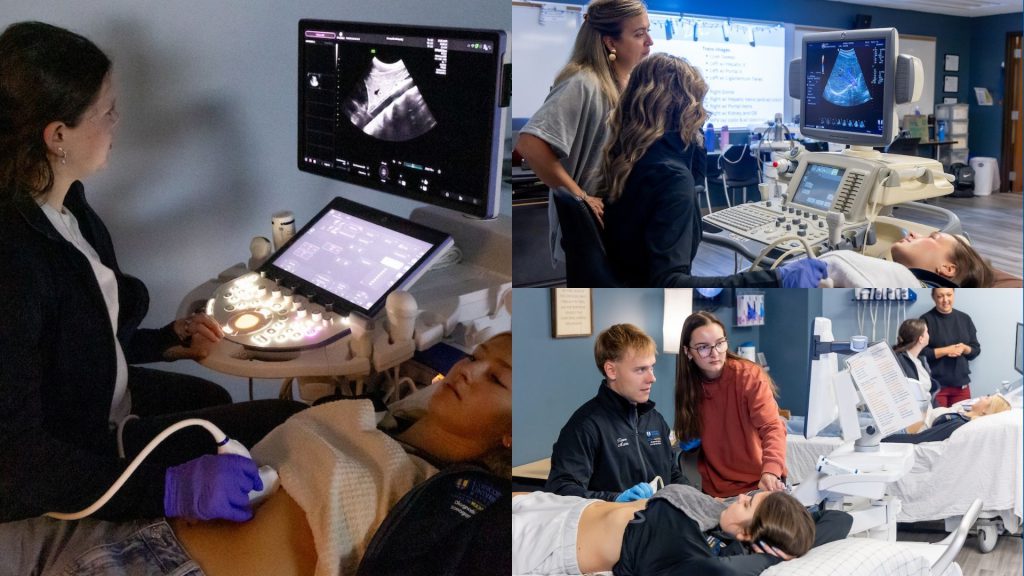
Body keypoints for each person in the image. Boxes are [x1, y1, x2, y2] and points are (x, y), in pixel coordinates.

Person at [0, 21, 305, 523]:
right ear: (58, 136)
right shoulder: (14, 265)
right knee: (290, 420)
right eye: (107, 111)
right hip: (74, 458)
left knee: (208, 395)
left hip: (99, 403)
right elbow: (16, 458)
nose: (118, 121)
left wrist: (163, 340)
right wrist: (171, 490)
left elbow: (72, 338)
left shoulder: (65, 201)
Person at [0, 333, 514, 576]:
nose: (468, 371)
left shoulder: (448, 507)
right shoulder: (358, 415)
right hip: (126, 525)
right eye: (474, 357)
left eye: (497, 378)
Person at [599, 54, 827, 288]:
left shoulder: (627, 158)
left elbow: (695, 178)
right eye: (699, 105)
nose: (703, 114)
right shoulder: (671, 179)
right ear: (685, 111)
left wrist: (693, 141)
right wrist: (776, 278)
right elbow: (669, 282)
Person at [516, 0, 652, 265]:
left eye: (647, 30)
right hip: (599, 232)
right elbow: (529, 143)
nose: (650, 41)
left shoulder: (629, 87)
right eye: (639, 34)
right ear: (611, 42)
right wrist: (581, 199)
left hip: (627, 227)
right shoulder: (583, 83)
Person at [514, 484, 854, 576]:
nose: (740, 496)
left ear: (750, 535)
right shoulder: (717, 515)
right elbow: (839, 521)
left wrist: (772, 558)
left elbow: (726, 573)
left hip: (544, 543)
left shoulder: (694, 555)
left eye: (748, 503)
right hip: (560, 507)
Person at [546, 323, 684, 501]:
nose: (652, 378)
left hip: (658, 523)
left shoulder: (655, 420)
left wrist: (698, 499)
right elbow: (560, 490)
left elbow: (673, 475)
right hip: (613, 525)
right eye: (641, 369)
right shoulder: (586, 426)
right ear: (611, 370)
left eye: (651, 367)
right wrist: (614, 500)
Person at [674, 311, 788, 498]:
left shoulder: (748, 376)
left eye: (720, 343)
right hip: (716, 492)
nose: (715, 353)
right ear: (688, 352)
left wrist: (771, 471)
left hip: (760, 483)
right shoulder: (689, 386)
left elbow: (772, 427)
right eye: (703, 347)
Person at [818, 231, 997, 287]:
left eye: (933, 237)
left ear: (947, 268)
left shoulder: (905, 279)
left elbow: (837, 262)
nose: (914, 233)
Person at [920, 288, 981, 407]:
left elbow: (975, 350)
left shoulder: (965, 319)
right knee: (940, 423)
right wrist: (946, 350)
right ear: (933, 297)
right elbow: (921, 353)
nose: (945, 300)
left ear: (954, 294)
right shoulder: (925, 320)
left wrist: (965, 348)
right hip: (937, 387)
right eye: (940, 296)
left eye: (949, 295)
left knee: (962, 423)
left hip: (961, 387)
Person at [884, 393, 1011, 444]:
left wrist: (881, 440)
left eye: (987, 398)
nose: (983, 396)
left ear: (985, 410)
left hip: (901, 431)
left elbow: (919, 439)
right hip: (906, 420)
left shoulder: (958, 424)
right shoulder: (963, 413)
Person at [893, 318, 940, 401]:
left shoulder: (920, 360)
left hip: (927, 409)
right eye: (927, 332)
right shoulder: (899, 361)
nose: (929, 335)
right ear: (921, 339)